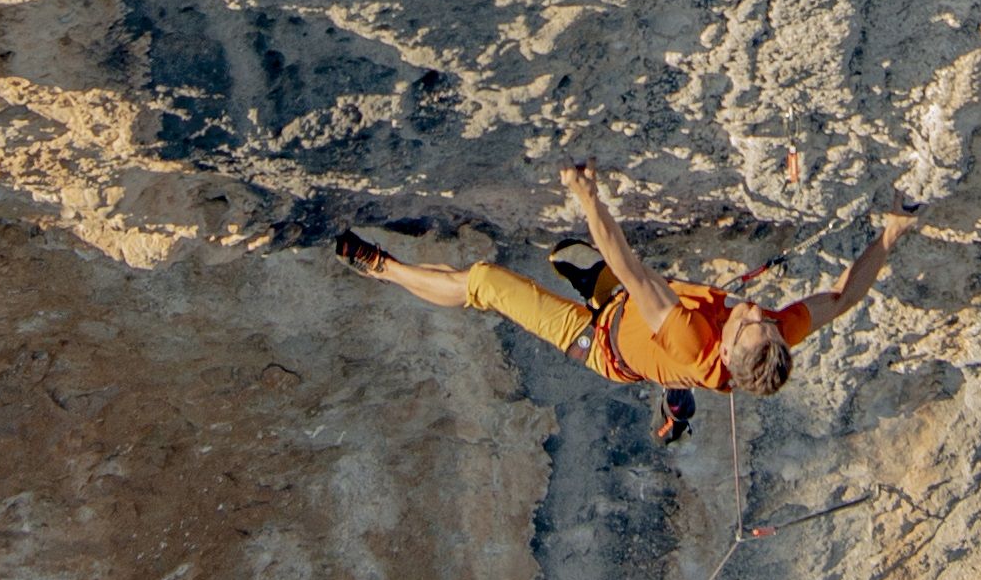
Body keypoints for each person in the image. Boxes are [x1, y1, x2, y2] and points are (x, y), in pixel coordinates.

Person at [344, 167, 909, 443]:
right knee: (565, 255)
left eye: (750, 323)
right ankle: (674, 395)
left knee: (486, 281)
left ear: (729, 347)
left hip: (599, 342)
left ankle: (383, 267)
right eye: (766, 321)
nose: (758, 310)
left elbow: (633, 267)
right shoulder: (773, 339)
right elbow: (843, 296)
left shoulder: (693, 336)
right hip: (632, 317)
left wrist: (588, 195)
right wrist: (890, 235)